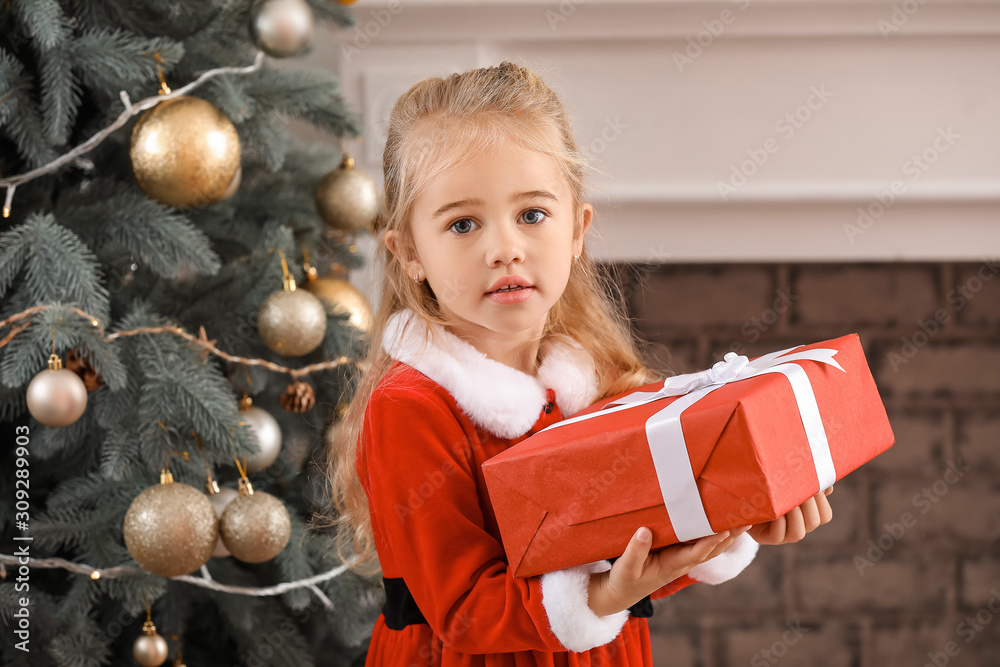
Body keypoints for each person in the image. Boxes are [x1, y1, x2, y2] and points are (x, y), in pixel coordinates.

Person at [323, 61, 834, 665]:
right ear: (409, 252)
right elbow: (463, 614)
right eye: (462, 224)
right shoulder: (410, 408)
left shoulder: (595, 388)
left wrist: (733, 523)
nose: (505, 248)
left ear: (576, 231)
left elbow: (640, 553)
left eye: (532, 215)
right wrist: (599, 594)